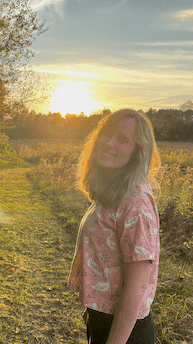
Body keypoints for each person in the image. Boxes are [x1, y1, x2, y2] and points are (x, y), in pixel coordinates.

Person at [68, 109, 161, 344]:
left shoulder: (135, 202)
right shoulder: (114, 193)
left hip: (125, 331)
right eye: (106, 134)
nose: (108, 143)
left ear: (137, 153)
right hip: (104, 319)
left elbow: (136, 289)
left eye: (121, 140)